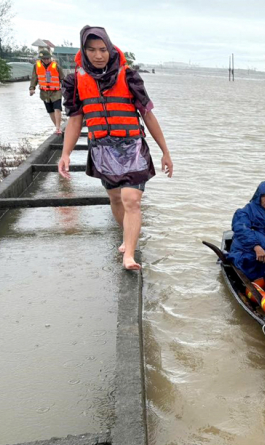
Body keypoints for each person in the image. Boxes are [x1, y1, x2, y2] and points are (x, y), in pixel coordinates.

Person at [58, 26, 173, 271]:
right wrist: (65, 153)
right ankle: (127, 237)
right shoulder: (75, 81)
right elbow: (76, 120)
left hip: (132, 147)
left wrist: (165, 151)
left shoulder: (129, 76)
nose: (98, 55)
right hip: (102, 148)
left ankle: (129, 255)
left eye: (103, 50)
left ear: (110, 49)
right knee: (115, 198)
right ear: (84, 51)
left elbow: (148, 115)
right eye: (92, 50)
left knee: (131, 199)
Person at [29, 49, 65, 135]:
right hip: (44, 92)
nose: (46, 60)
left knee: (57, 108)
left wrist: (66, 89)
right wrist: (32, 88)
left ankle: (58, 128)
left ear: (50, 58)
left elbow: (62, 78)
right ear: (41, 59)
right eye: (44, 59)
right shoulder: (36, 66)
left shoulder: (56, 66)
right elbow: (34, 78)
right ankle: (57, 127)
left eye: (47, 58)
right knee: (50, 111)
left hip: (56, 92)